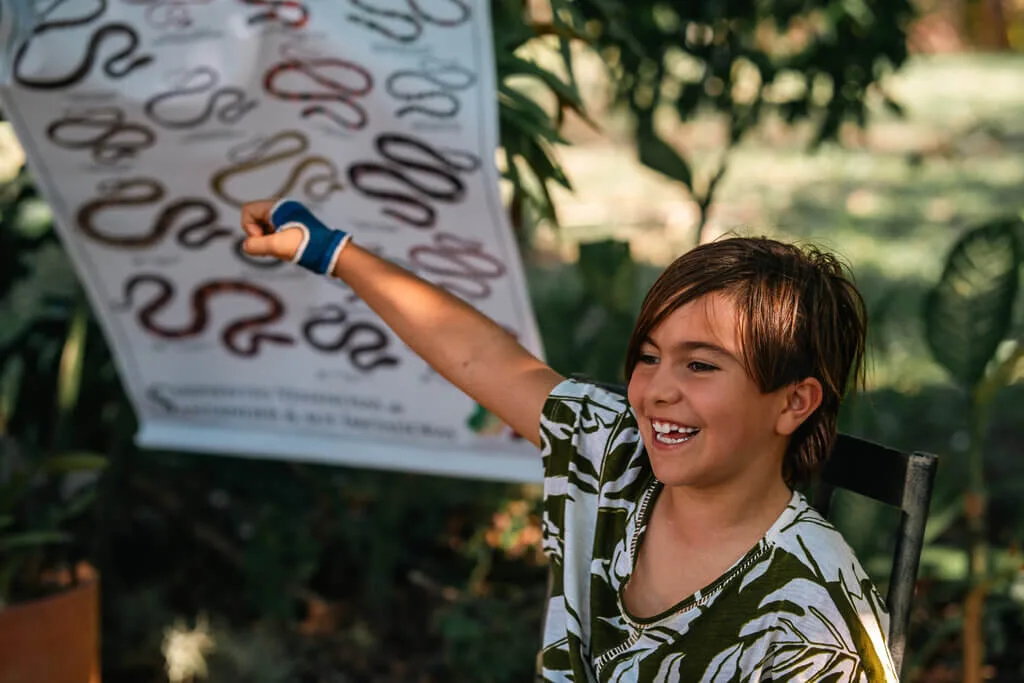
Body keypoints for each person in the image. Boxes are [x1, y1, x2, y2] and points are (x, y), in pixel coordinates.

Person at [239, 198, 899, 682]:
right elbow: (483, 356)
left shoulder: (810, 629)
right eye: (648, 356)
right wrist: (329, 251)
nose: (656, 390)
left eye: (700, 364)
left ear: (794, 401)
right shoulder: (612, 457)